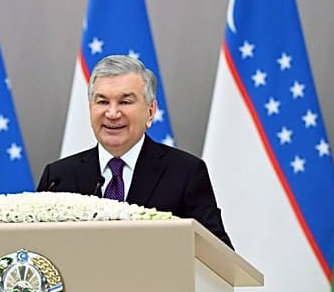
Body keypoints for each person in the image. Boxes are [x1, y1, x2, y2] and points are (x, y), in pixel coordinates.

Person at [37, 54, 233, 248]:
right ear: (90, 109)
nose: (112, 113)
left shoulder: (185, 173)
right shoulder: (58, 177)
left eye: (125, 102)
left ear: (150, 111)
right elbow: (37, 251)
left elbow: (218, 254)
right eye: (103, 102)